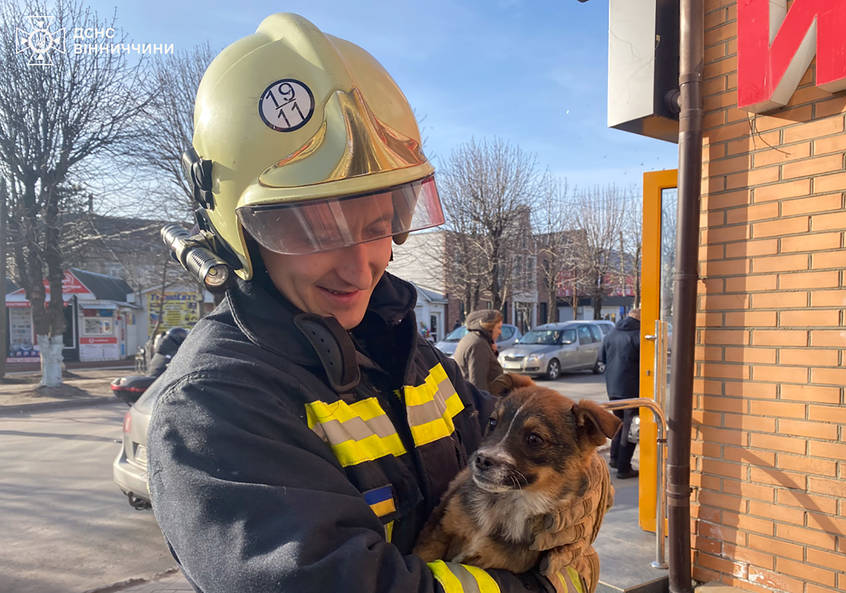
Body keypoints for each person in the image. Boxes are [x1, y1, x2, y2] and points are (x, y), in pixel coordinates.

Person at [145, 13, 608, 593]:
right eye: (312, 231)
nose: (361, 263)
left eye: (380, 222)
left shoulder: (414, 360)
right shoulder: (217, 408)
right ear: (239, 233)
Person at [599, 308, 641, 479]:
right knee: (630, 428)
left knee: (620, 424)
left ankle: (615, 459)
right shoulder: (639, 335)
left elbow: (602, 358)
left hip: (613, 388)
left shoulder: (611, 334)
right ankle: (624, 467)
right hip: (632, 388)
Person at [451, 310, 531, 396]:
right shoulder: (479, 345)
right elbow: (478, 383)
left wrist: (492, 352)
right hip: (482, 402)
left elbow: (486, 369)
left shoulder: (472, 339)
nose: (500, 332)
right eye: (498, 328)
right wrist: (485, 406)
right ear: (489, 327)